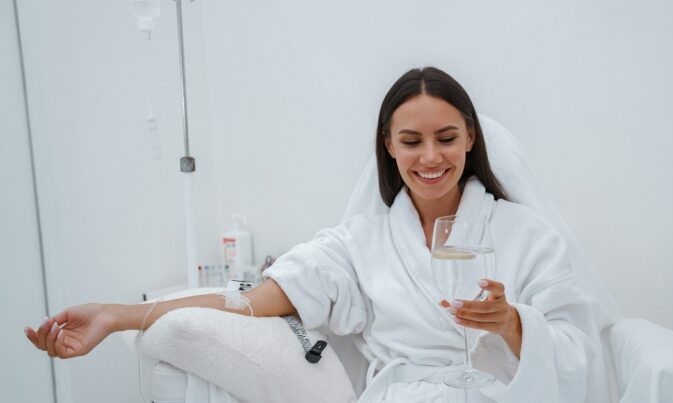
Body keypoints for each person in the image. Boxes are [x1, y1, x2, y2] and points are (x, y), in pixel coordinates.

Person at [25, 67, 598, 402]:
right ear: (387, 144)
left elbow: (579, 356)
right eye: (411, 140)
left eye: (446, 137)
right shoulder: (359, 243)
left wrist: (513, 323)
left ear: (471, 139)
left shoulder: (527, 235)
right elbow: (248, 304)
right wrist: (114, 314)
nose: (430, 157)